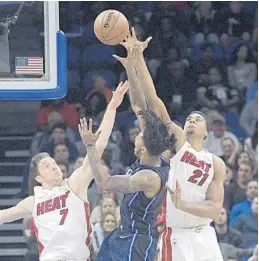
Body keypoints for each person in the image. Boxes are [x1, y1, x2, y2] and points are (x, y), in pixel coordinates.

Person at [118, 27, 226, 261]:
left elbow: (215, 209)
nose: (192, 119)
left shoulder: (215, 163)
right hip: (176, 235)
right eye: (189, 117)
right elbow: (154, 100)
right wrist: (138, 58)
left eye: (198, 119)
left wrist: (182, 203)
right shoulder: (179, 144)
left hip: (205, 235)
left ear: (206, 133)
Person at [0, 81, 129, 261]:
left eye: (53, 163)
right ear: (38, 177)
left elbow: (98, 147)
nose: (53, 166)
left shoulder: (74, 184)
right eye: (46, 166)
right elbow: (3, 217)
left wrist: (113, 107)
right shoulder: (33, 201)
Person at [79, 30, 176, 261]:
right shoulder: (153, 152)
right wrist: (130, 66)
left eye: (139, 135)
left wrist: (90, 147)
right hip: (123, 234)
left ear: (143, 147)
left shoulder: (148, 177)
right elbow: (137, 103)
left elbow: (104, 184)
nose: (136, 134)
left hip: (138, 240)